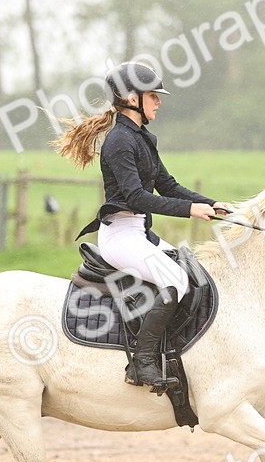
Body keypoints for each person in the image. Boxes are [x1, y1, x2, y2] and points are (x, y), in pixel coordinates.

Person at [54, 61, 226, 391]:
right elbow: (136, 196)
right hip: (120, 237)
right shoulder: (119, 141)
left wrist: (212, 203)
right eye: (153, 96)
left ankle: (173, 349)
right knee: (175, 280)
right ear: (131, 98)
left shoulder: (142, 137)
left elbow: (168, 185)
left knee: (189, 271)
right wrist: (190, 210)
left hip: (140, 233)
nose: (159, 101)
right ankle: (142, 364)